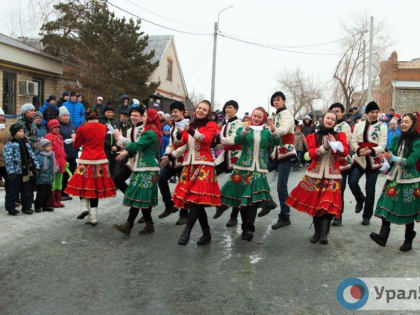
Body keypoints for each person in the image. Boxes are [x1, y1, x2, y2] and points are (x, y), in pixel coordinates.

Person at [286, 111, 349, 245]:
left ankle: (324, 233)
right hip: (315, 174)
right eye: (328, 118)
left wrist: (337, 145)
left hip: (332, 174)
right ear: (322, 119)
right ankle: (316, 232)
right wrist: (325, 147)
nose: (330, 120)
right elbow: (311, 154)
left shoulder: (340, 135)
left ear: (335, 122)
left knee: (327, 204)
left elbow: (345, 152)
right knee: (316, 204)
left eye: (333, 119)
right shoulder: (312, 136)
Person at [220, 107, 280, 241]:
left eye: (259, 117)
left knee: (252, 200)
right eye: (255, 116)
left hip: (259, 169)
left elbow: (277, 142)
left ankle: (249, 228)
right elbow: (236, 140)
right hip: (243, 167)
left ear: (263, 118)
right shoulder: (245, 129)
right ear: (251, 116)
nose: (256, 118)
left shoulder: (266, 132)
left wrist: (274, 131)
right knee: (243, 199)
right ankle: (245, 227)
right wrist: (244, 132)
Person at [173, 100, 221, 246]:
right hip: (189, 165)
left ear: (208, 113)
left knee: (195, 200)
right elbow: (182, 144)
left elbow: (205, 139)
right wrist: (180, 135)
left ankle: (187, 231)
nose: (200, 110)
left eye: (204, 109)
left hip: (204, 165)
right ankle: (206, 233)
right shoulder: (190, 125)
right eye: (199, 108)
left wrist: (190, 131)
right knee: (196, 202)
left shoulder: (211, 125)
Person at [370, 113, 420, 251]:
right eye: (402, 121)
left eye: (407, 122)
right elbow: (389, 152)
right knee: (387, 203)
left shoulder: (417, 141)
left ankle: (408, 239)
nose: (403, 124)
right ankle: (383, 236)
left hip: (410, 180)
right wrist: (384, 157)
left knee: (408, 210)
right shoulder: (397, 139)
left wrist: (394, 158)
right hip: (394, 178)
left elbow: (410, 162)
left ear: (413, 124)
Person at [112, 109, 162, 236]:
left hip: (147, 169)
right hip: (142, 167)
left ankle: (129, 225)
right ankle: (148, 224)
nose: (142, 118)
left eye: (144, 116)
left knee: (138, 196)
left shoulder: (149, 133)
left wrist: (120, 138)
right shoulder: (150, 131)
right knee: (141, 197)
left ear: (150, 118)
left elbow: (135, 146)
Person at [64, 109, 116, 226]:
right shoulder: (103, 128)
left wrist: (74, 137)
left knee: (82, 184)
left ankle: (83, 208)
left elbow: (77, 144)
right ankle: (93, 217)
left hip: (86, 160)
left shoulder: (82, 129)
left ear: (86, 118)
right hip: (100, 160)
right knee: (95, 188)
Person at [349, 101, 387, 226]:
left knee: (370, 189)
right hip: (359, 159)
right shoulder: (359, 125)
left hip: (373, 160)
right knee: (352, 181)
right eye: (372, 112)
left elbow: (382, 145)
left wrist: (371, 150)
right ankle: (360, 199)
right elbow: (353, 141)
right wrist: (358, 150)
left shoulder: (382, 126)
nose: (375, 114)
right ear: (366, 113)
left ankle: (367, 215)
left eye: (376, 112)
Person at [264, 91, 297, 229]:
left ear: (283, 101)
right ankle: (267, 201)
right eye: (274, 100)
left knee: (281, 186)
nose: (276, 102)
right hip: (276, 152)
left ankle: (285, 216)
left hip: (286, 152)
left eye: (278, 99)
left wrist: (272, 129)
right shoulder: (276, 115)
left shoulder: (286, 114)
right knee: (259, 171)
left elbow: (283, 130)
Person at [157, 101, 189, 225]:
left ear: (182, 112)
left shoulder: (188, 126)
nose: (173, 114)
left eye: (176, 111)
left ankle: (184, 214)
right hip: (172, 161)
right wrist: (166, 154)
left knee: (183, 187)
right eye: (172, 112)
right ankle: (169, 206)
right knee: (161, 178)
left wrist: (171, 155)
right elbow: (170, 144)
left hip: (184, 162)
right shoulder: (172, 127)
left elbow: (186, 146)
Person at [213, 100, 244, 226]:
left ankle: (233, 216)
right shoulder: (225, 124)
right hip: (225, 155)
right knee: (211, 173)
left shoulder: (239, 124)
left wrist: (218, 140)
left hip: (237, 156)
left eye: (230, 107)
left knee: (236, 184)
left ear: (236, 110)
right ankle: (218, 202)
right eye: (226, 108)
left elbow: (233, 139)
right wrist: (213, 143)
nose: (227, 110)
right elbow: (222, 142)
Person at [4, 123, 40, 215]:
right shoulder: (10, 144)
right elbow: (8, 158)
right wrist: (11, 171)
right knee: (13, 191)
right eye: (19, 131)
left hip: (26, 171)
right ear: (14, 133)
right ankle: (10, 208)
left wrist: (36, 165)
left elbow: (31, 154)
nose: (22, 133)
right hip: (16, 171)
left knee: (27, 190)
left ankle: (26, 207)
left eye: (22, 131)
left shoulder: (25, 143)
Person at [329, 103, 352, 226]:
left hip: (342, 162)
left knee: (339, 190)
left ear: (342, 113)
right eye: (332, 111)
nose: (335, 113)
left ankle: (338, 215)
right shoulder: (328, 124)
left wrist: (333, 143)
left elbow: (345, 144)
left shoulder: (345, 126)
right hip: (329, 162)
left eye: (337, 111)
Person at [112, 106, 145, 194]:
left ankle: (135, 202)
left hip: (142, 163)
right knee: (117, 180)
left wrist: (120, 138)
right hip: (131, 161)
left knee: (140, 188)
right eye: (132, 115)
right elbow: (130, 146)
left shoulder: (144, 129)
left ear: (142, 117)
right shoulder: (129, 130)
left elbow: (137, 146)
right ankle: (130, 197)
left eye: (136, 115)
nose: (133, 117)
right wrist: (125, 152)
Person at [45, 119, 66, 208]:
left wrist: (64, 160)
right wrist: (55, 163)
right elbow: (50, 152)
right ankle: (52, 201)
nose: (57, 129)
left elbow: (62, 150)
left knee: (59, 183)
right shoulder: (48, 137)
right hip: (54, 164)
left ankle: (58, 200)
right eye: (55, 127)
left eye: (58, 127)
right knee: (52, 183)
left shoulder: (60, 137)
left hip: (61, 163)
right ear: (50, 128)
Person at [59, 106, 78, 201]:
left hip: (72, 153)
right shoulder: (58, 127)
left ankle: (67, 190)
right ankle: (62, 192)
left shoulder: (73, 126)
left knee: (72, 172)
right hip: (64, 154)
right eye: (63, 116)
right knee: (64, 174)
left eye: (67, 115)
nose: (66, 117)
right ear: (60, 117)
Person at [34, 138, 55, 213]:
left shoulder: (51, 156)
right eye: (48, 146)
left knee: (48, 193)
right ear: (42, 147)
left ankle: (45, 206)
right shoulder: (40, 157)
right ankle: (38, 206)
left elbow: (53, 166)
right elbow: (37, 167)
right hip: (41, 178)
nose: (50, 147)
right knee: (41, 193)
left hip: (49, 178)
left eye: (50, 146)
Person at [99, 104, 119, 177]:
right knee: (105, 168)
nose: (110, 114)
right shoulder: (100, 121)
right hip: (105, 149)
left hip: (115, 149)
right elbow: (100, 136)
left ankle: (112, 185)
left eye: (111, 112)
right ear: (104, 112)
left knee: (113, 169)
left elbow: (118, 134)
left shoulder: (115, 122)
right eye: (108, 112)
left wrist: (116, 145)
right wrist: (110, 146)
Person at [0, 108, 10, 191]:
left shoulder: (6, 128)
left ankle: (12, 200)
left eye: (2, 115)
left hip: (4, 159)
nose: (1, 117)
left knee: (9, 180)